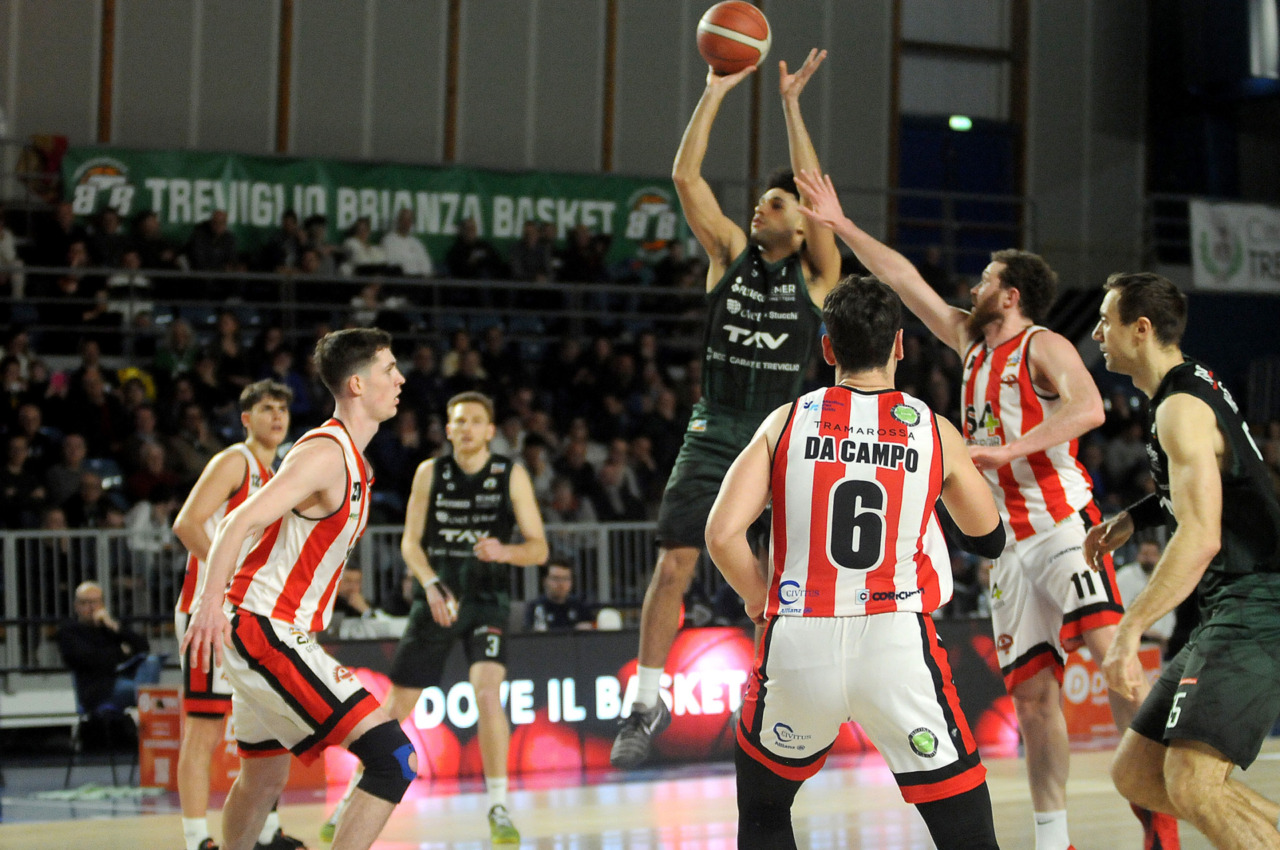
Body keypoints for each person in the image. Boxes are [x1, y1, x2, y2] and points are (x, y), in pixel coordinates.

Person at [791, 169, 1179, 850]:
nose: (972, 289)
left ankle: (1159, 819)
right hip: (1008, 548)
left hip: (1061, 527)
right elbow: (904, 279)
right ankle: (1054, 840)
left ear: (1011, 294)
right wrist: (843, 225)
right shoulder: (970, 343)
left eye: (985, 281)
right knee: (1031, 700)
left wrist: (1008, 450)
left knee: (1115, 661)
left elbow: (1089, 407)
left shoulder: (1042, 344)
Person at [705, 276, 1005, 849]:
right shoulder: (933, 430)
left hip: (800, 638)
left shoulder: (785, 422)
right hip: (895, 641)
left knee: (765, 811)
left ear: (827, 348)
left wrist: (757, 597)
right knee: (965, 830)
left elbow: (721, 534)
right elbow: (987, 538)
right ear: (899, 345)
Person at [609, 49, 842, 769]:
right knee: (672, 564)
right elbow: (686, 178)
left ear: (801, 227)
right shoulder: (730, 254)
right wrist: (714, 89)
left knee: (776, 581)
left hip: (777, 438)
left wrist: (792, 106)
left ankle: (780, 694)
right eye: (761, 201)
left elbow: (812, 189)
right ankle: (646, 701)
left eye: (776, 204)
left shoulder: (818, 277)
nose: (759, 208)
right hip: (713, 431)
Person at [180, 328, 408, 850]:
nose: (400, 379)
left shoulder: (355, 461)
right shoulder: (326, 453)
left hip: (269, 626)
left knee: (263, 778)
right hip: (264, 628)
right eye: (389, 369)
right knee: (394, 758)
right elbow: (235, 521)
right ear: (356, 384)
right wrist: (209, 604)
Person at [1086, 272, 1280, 850]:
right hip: (1229, 604)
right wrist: (1136, 517)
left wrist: (1128, 632)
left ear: (1140, 329)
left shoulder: (1181, 409)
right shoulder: (1187, 386)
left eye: (1106, 321)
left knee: (1193, 783)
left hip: (1257, 601)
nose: (1096, 332)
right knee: (1137, 774)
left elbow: (1200, 537)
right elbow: (1216, 485)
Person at [321, 390, 547, 846]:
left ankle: (498, 806)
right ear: (447, 429)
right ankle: (348, 798)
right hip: (437, 598)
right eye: (458, 421)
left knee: (488, 692)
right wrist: (429, 583)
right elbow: (410, 543)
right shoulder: (431, 472)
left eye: (475, 421)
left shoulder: (510, 474)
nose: (466, 428)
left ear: (490, 430)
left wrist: (505, 551)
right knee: (395, 709)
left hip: (487, 600)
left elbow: (539, 548)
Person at [171, 380, 300, 850]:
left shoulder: (279, 473)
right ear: (246, 418)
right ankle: (196, 839)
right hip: (207, 612)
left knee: (269, 722)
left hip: (250, 615)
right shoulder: (234, 462)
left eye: (282, 408)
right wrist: (227, 575)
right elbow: (186, 523)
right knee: (204, 727)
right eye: (267, 408)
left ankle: (267, 831)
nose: (277, 416)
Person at [57, 581, 161, 713]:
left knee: (152, 661)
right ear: (76, 606)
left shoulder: (108, 627)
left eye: (95, 602)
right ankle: (146, 704)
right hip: (97, 688)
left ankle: (145, 703)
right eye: (85, 603)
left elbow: (143, 647)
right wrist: (121, 652)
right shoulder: (69, 631)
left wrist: (115, 627)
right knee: (147, 694)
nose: (91, 607)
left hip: (122, 678)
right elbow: (88, 659)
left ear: (102, 604)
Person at [1113, 538, 1175, 654]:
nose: (1148, 558)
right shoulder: (1124, 577)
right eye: (1145, 554)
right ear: (1138, 555)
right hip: (1129, 640)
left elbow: (1169, 612)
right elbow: (1117, 610)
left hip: (1158, 641)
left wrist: (1165, 636)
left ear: (1160, 556)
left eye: (1153, 554)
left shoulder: (1164, 578)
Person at [525, 560, 594, 632]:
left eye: (566, 579)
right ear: (545, 581)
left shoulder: (579, 606)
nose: (561, 584)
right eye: (555, 578)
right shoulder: (536, 607)